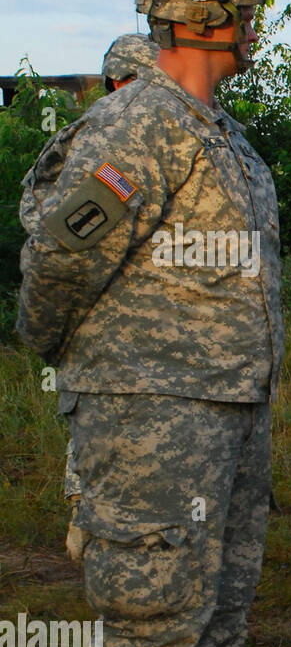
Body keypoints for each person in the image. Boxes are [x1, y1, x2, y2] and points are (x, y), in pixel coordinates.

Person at [18, 0, 286, 647]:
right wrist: (70, 354)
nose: (255, 26)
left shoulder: (225, 137)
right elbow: (62, 254)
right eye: (245, 10)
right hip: (151, 412)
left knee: (221, 596)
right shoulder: (139, 125)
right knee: (153, 599)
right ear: (211, 17)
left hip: (230, 407)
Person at [63, 33, 161, 563]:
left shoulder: (145, 137)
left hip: (146, 320)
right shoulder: (98, 140)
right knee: (100, 422)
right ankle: (88, 517)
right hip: (104, 315)